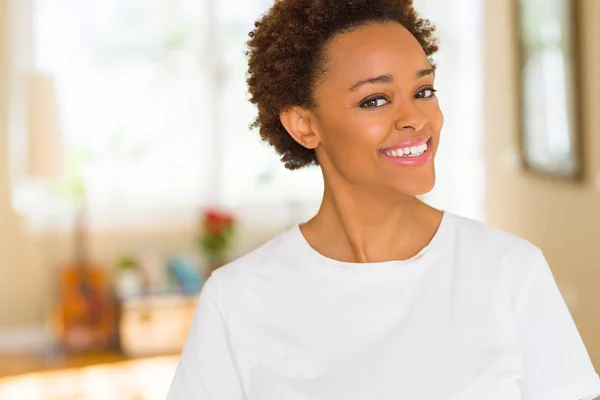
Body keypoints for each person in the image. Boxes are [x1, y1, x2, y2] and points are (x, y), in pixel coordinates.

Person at [166, 0, 600, 398]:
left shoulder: (509, 272)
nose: (415, 119)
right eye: (375, 100)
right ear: (303, 125)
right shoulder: (238, 299)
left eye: (424, 91)